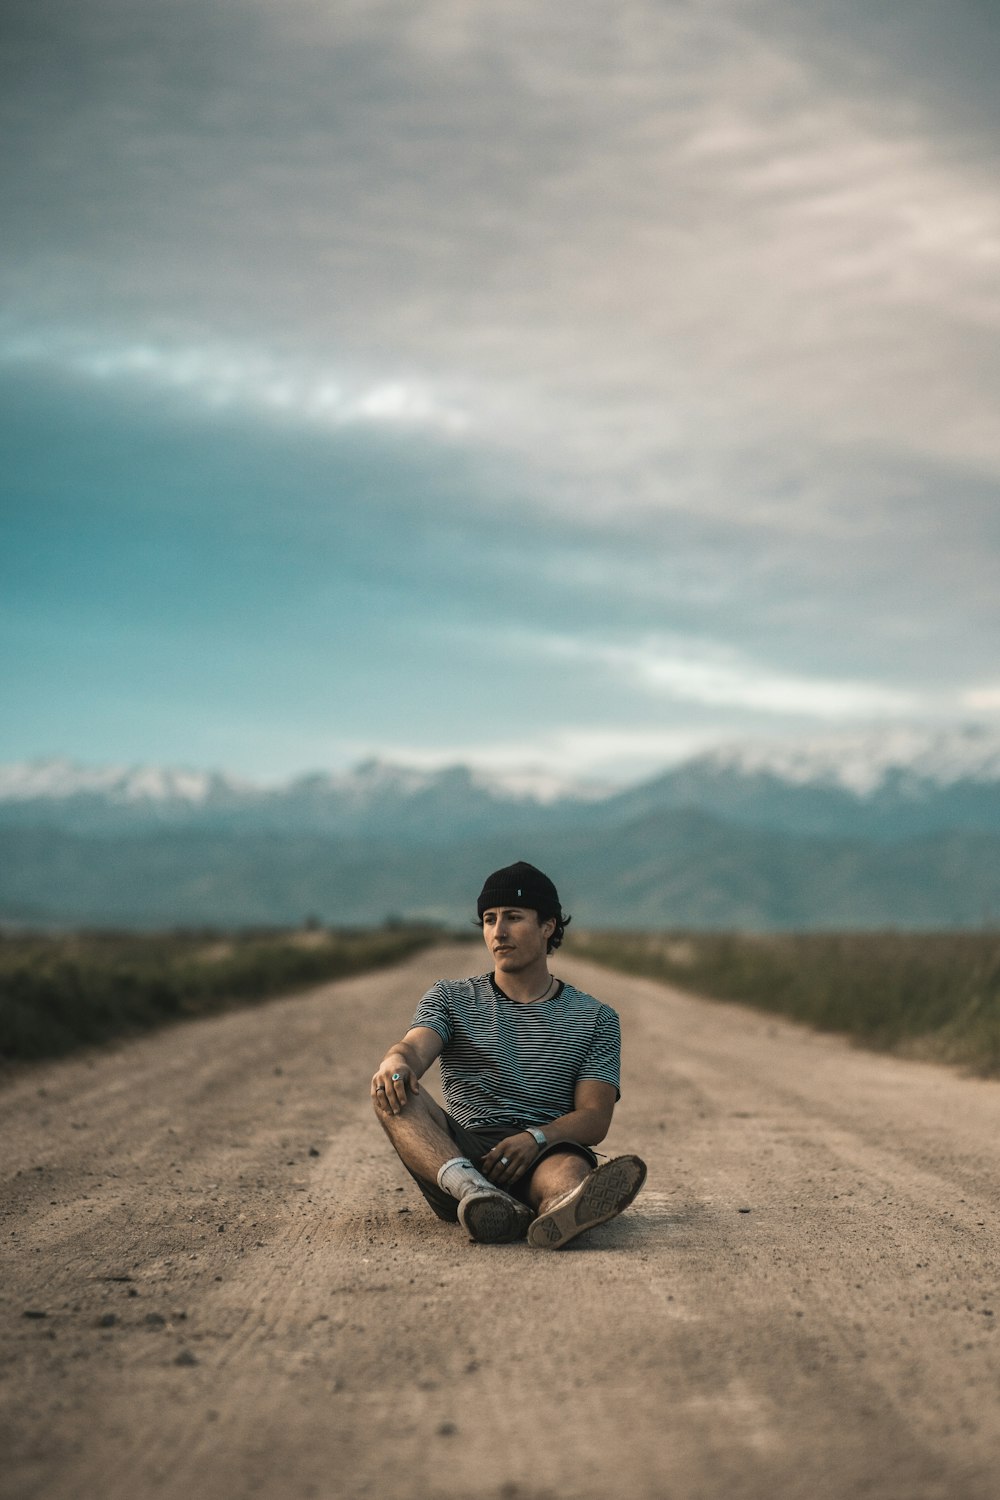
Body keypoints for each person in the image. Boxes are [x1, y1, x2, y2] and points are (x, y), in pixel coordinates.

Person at [370, 860, 646, 1248]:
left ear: (547, 926)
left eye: (513, 917)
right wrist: (395, 1062)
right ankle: (477, 1195)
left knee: (568, 1169)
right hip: (461, 1153)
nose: (498, 932)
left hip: (545, 1151)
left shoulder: (595, 1018)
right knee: (392, 1091)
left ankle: (560, 1210)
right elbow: (414, 1047)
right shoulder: (451, 998)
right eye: (488, 919)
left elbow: (595, 1117)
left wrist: (536, 1137)